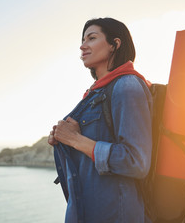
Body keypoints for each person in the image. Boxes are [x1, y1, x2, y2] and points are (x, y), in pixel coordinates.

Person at [48, 17, 153, 223]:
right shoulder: (96, 94)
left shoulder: (127, 86)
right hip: (91, 211)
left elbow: (136, 161)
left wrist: (75, 140)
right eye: (82, 39)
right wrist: (63, 140)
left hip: (116, 214)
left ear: (115, 44)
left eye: (92, 38)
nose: (82, 45)